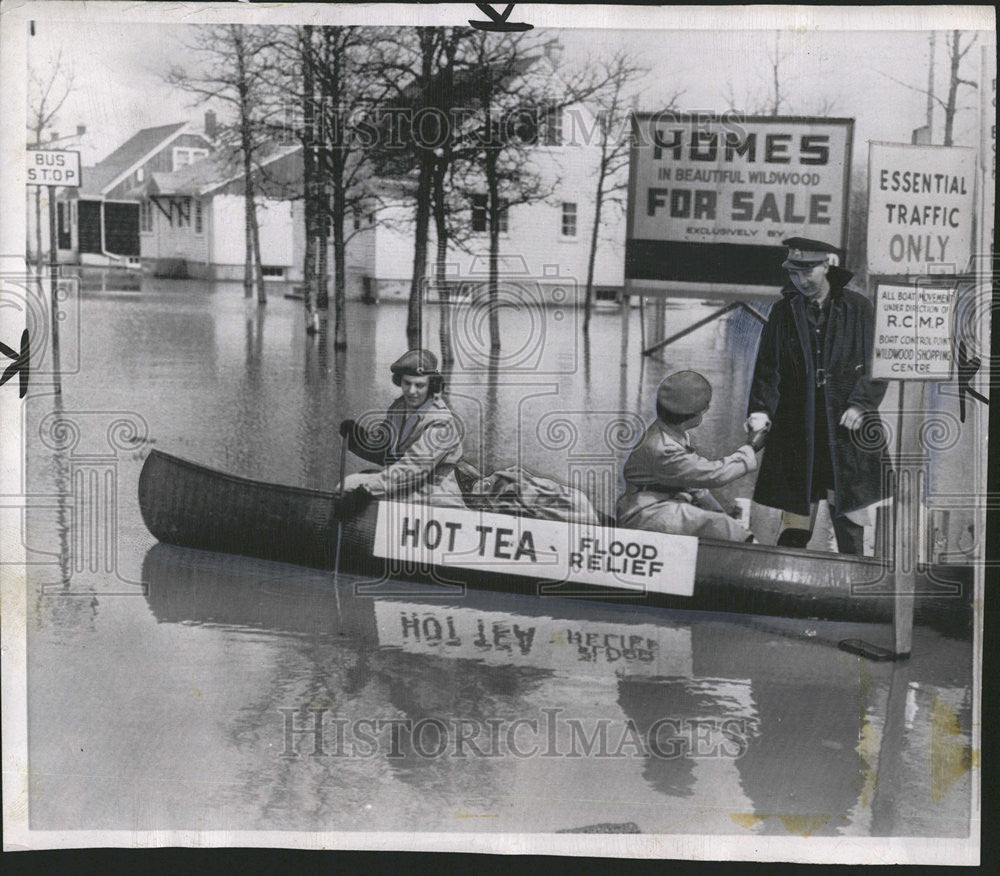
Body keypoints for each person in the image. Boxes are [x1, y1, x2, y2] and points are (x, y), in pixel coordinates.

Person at [747, 237, 890, 555]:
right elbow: (767, 368)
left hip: (845, 430)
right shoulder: (783, 311)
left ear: (827, 266)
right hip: (798, 430)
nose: (801, 280)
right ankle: (786, 585)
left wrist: (861, 403)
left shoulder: (858, 308)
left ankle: (853, 587)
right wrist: (760, 410)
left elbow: (878, 363)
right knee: (796, 518)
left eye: (808, 271)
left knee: (849, 516)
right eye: (794, 273)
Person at [617, 370, 765, 542]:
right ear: (693, 416)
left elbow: (694, 487)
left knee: (721, 522)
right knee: (721, 526)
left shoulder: (672, 434)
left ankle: (742, 544)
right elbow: (713, 474)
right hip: (643, 513)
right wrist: (751, 447)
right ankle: (752, 555)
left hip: (657, 505)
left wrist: (719, 513)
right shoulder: (663, 448)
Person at [338, 349, 466, 508]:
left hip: (437, 492)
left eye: (419, 385)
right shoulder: (399, 409)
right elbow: (384, 449)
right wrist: (358, 438)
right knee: (346, 485)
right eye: (407, 383)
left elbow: (414, 467)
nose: (412, 391)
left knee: (355, 490)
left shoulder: (440, 421)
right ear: (400, 381)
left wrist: (367, 491)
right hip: (406, 484)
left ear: (431, 386)